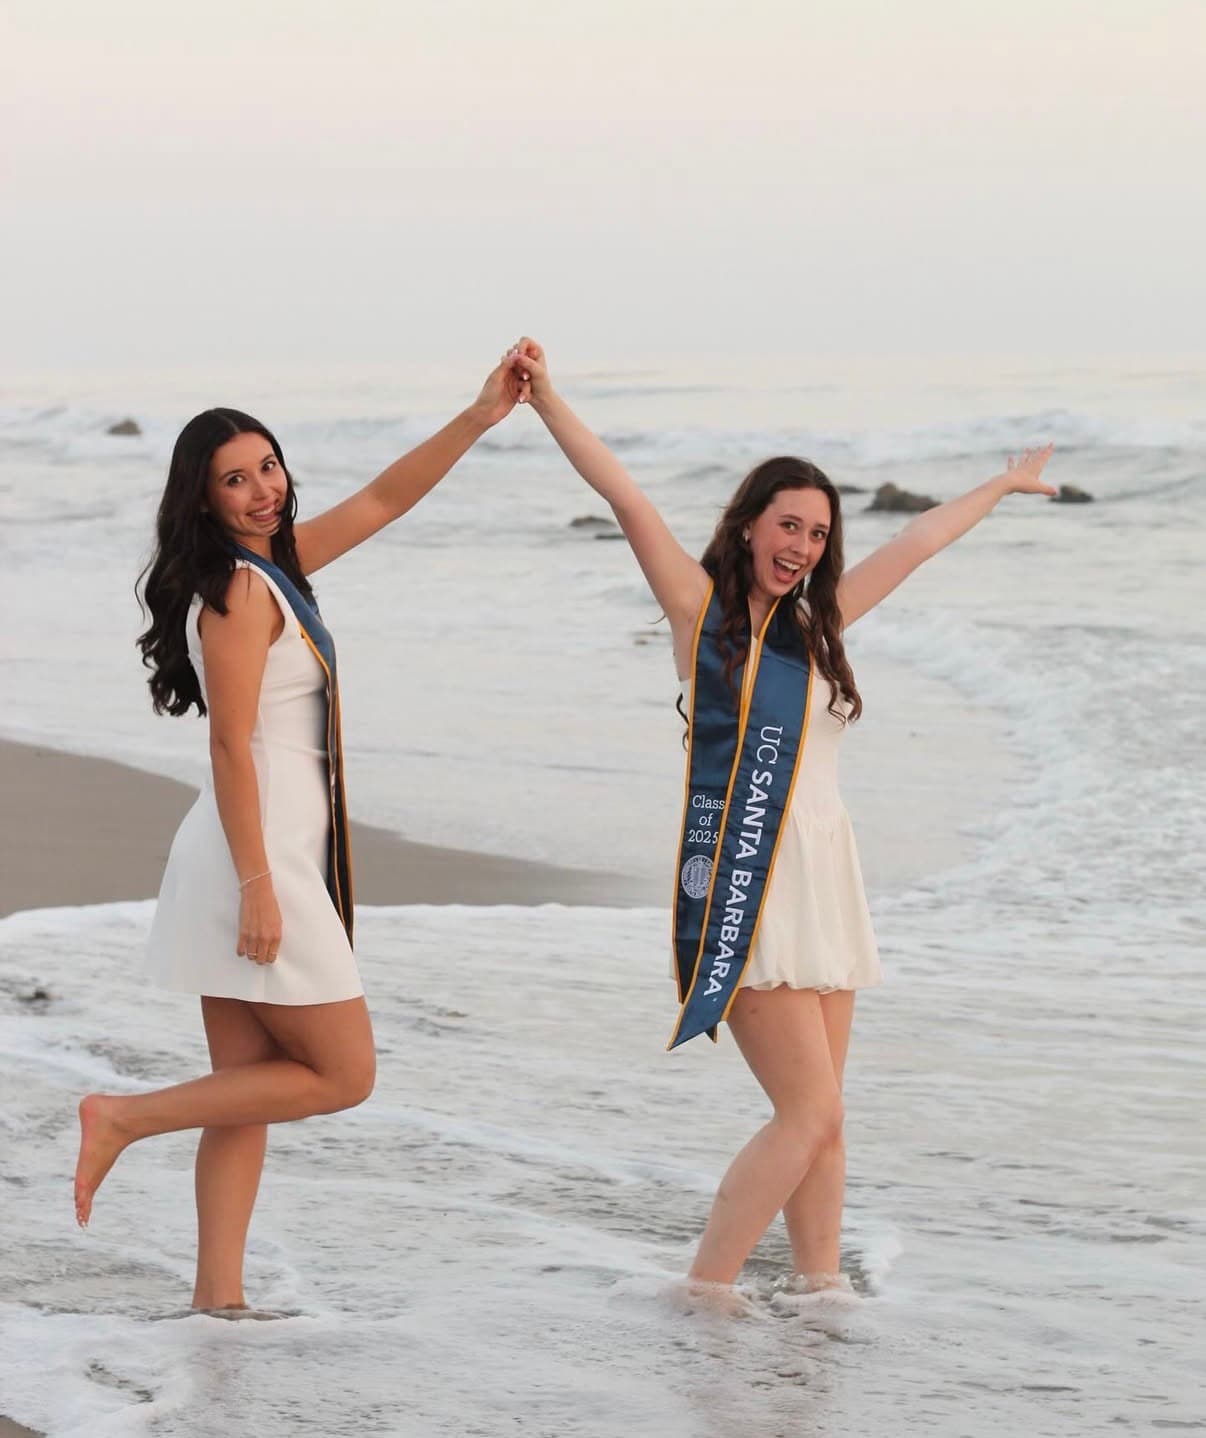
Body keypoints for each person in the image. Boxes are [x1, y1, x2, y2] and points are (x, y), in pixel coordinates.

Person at [505, 337, 1054, 1306]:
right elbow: (628, 499)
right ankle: (703, 1292)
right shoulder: (703, 613)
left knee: (831, 1120)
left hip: (825, 888)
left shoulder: (818, 628)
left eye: (815, 533)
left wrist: (1001, 489)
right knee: (807, 1112)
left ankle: (819, 1296)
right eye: (788, 525)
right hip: (746, 881)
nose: (800, 546)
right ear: (750, 523)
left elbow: (917, 544)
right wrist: (545, 400)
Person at [73, 360, 524, 1316]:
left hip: (243, 855)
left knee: (248, 1091)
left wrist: (481, 415)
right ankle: (123, 1116)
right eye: (235, 478)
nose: (262, 488)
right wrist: (262, 889)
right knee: (342, 1073)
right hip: (253, 857)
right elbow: (231, 746)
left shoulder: (271, 570)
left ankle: (217, 1305)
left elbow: (386, 498)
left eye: (269, 466)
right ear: (202, 498)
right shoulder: (238, 594)